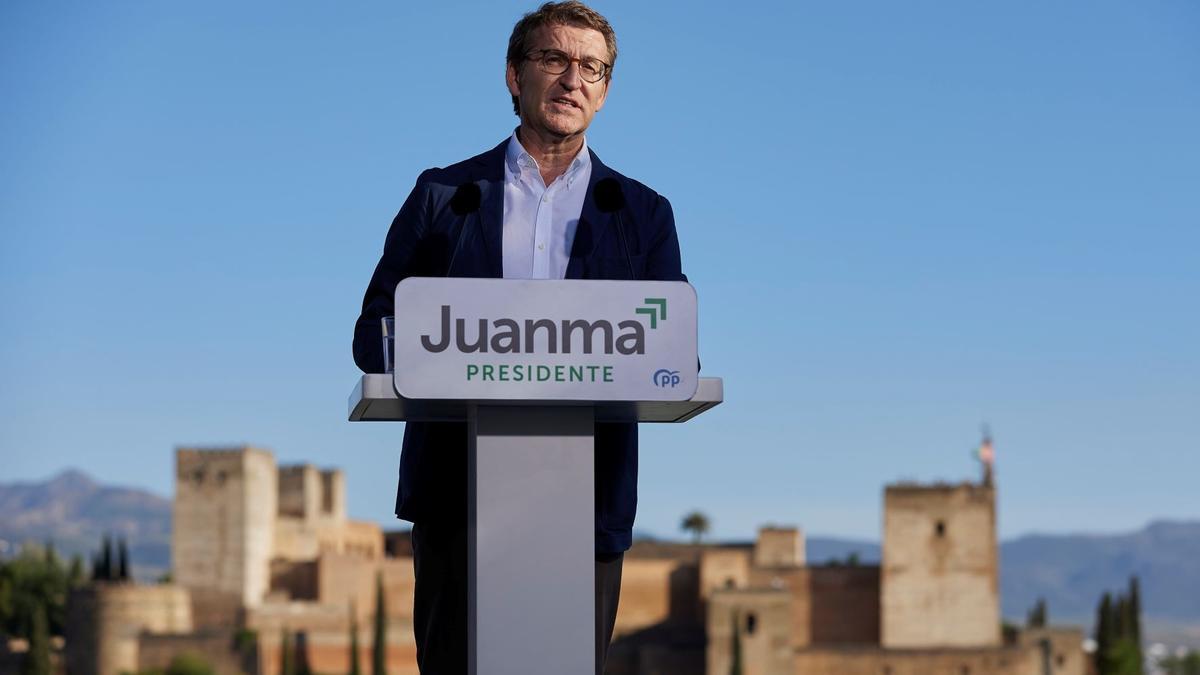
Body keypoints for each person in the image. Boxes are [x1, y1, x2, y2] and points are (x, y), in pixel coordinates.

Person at [352, 2, 687, 672]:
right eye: (554, 59)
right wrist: (442, 357)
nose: (573, 79)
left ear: (606, 90)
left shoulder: (642, 214)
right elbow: (373, 333)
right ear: (513, 75)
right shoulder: (443, 195)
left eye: (592, 67)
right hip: (458, 500)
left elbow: (672, 351)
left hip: (584, 505)